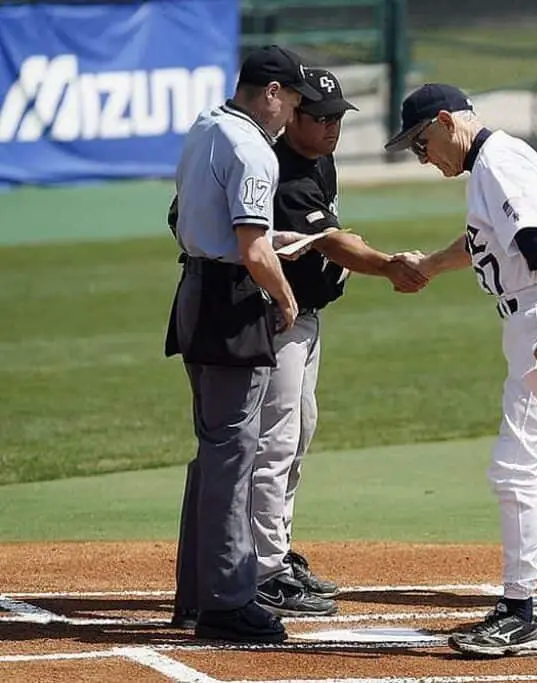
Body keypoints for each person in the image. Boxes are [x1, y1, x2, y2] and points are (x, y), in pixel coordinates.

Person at [384, 83, 537, 658]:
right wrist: (431, 265)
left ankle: (517, 611)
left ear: (444, 121)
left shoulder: (498, 163)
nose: (421, 155)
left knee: (515, 470)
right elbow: (489, 240)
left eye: (421, 142)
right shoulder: (501, 158)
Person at [252, 67, 428, 617]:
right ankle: (260, 568)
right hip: (277, 320)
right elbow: (331, 242)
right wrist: (387, 266)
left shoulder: (320, 160)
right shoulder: (280, 170)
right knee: (274, 444)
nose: (332, 127)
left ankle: (274, 551)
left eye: (337, 118)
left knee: (297, 435)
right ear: (293, 116)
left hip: (307, 320)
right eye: (321, 118)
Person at [165, 45, 322, 643]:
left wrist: (254, 244)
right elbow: (254, 252)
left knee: (214, 447)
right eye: (294, 103)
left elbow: (188, 215)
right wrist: (284, 298)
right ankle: (227, 600)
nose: (293, 117)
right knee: (235, 452)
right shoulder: (254, 147)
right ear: (274, 94)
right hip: (230, 303)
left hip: (194, 292)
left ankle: (196, 592)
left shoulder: (206, 126)